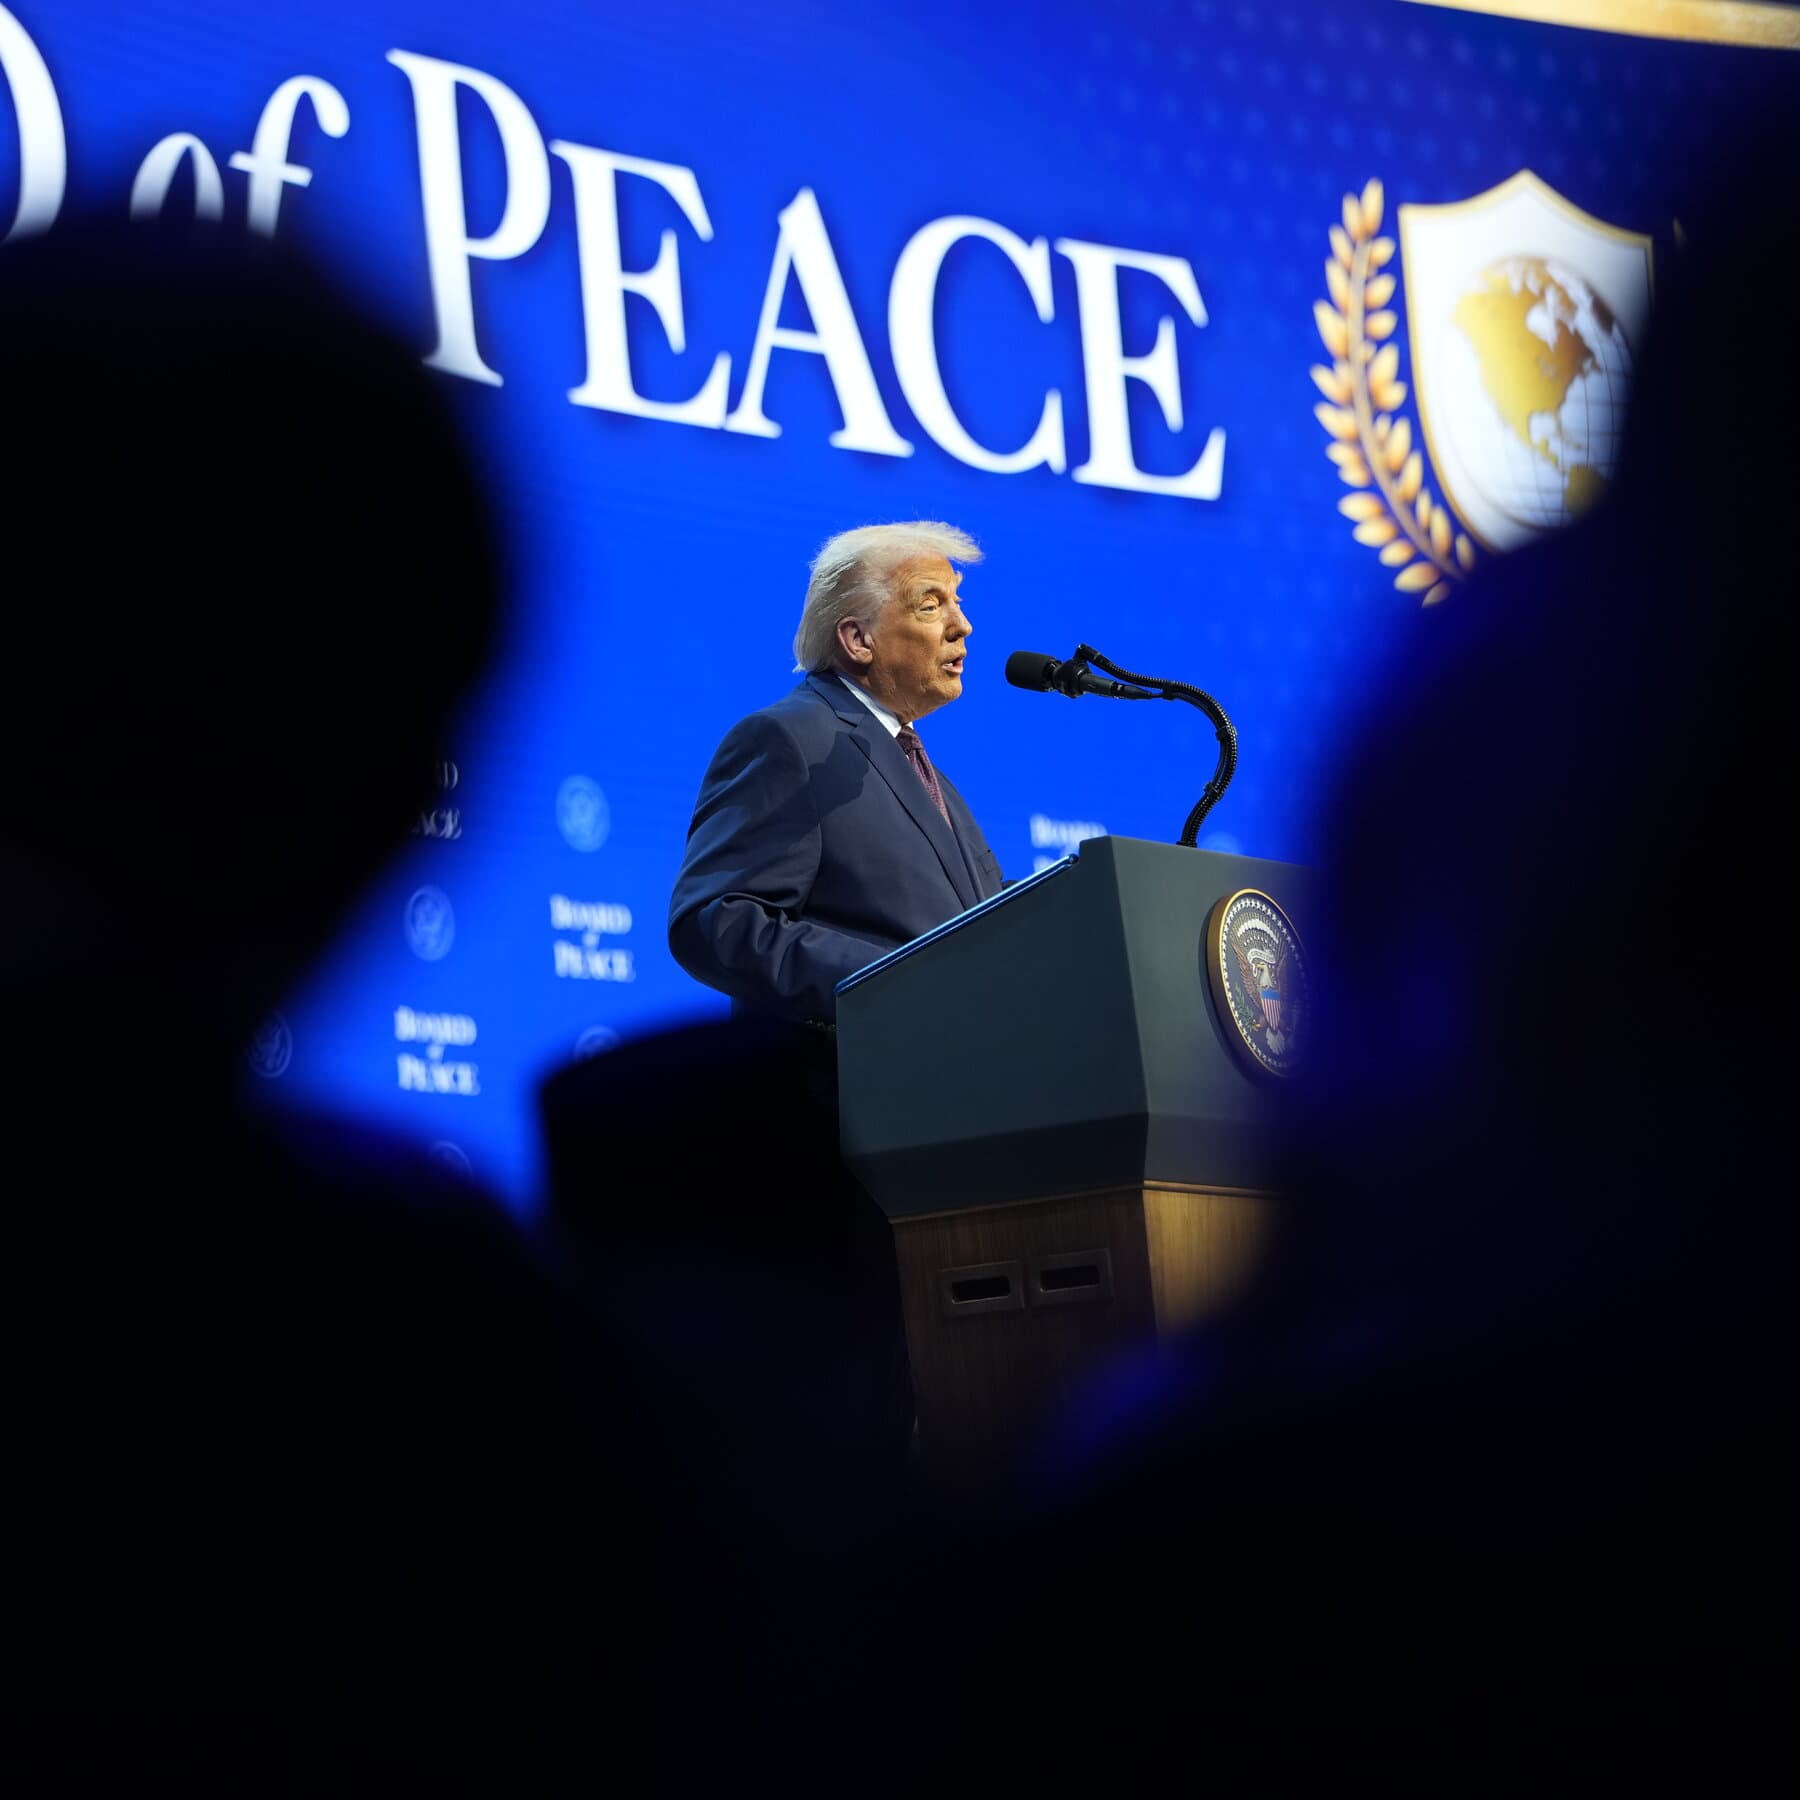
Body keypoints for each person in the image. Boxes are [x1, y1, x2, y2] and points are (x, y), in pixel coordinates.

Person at [668, 521, 1005, 1022]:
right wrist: (897, 982)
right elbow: (719, 919)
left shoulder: (933, 782)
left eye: (957, 601)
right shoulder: (790, 739)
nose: (962, 625)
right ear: (857, 639)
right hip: (844, 1086)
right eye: (931, 605)